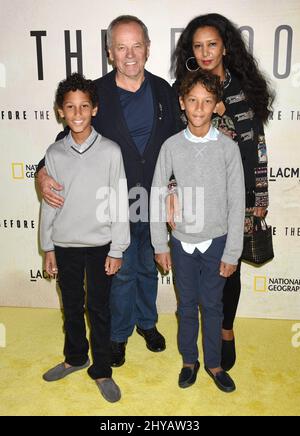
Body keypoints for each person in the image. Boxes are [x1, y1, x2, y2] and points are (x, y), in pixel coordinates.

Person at [36, 15, 181, 367]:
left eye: (136, 46)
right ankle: (117, 335)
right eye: (121, 47)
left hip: (154, 199)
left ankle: (147, 323)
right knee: (121, 270)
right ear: (110, 52)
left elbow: (178, 144)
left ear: (148, 49)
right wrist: (41, 172)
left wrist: (176, 188)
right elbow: (66, 139)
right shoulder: (96, 93)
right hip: (112, 203)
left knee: (148, 267)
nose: (129, 55)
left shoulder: (164, 90)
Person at [169, 13, 274, 371]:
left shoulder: (245, 89)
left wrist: (259, 197)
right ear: (190, 50)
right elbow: (172, 148)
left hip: (240, 194)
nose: (205, 51)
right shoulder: (184, 91)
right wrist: (171, 191)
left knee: (230, 269)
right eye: (197, 46)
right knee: (200, 271)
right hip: (199, 198)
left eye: (212, 44)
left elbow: (257, 144)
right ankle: (195, 343)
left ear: (225, 46)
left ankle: (225, 330)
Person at [150, 70, 245, 392]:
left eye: (207, 101)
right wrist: (160, 244)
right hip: (181, 244)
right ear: (182, 103)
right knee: (186, 306)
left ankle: (214, 364)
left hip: (217, 241)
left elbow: (237, 201)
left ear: (217, 105)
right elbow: (158, 194)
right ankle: (189, 360)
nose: (200, 108)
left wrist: (233, 251)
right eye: (193, 100)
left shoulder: (228, 148)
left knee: (214, 306)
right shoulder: (171, 146)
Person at [40, 73, 130, 403]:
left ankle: (102, 368)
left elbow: (120, 201)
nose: (77, 113)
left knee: (99, 308)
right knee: (73, 307)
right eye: (70, 107)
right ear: (60, 111)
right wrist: (47, 245)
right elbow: (49, 203)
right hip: (65, 245)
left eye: (84, 106)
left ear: (94, 109)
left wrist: (118, 247)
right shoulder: (54, 153)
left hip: (101, 245)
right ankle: (76, 358)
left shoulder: (110, 151)